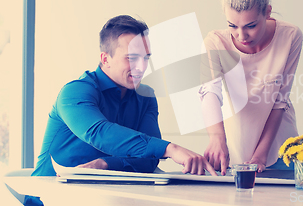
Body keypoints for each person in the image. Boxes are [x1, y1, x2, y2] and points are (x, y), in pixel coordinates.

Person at [26, 15, 216, 205]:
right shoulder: (74, 91)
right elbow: (98, 132)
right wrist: (169, 148)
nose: (141, 67)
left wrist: (108, 164)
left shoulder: (146, 96)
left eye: (146, 58)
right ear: (105, 59)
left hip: (107, 199)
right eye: (132, 58)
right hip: (49, 199)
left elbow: (149, 160)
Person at [199, 0, 302, 175]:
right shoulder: (215, 42)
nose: (241, 35)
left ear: (268, 12)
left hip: (281, 144)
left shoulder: (291, 36)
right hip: (237, 142)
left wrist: (261, 154)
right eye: (232, 26)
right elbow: (210, 93)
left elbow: (279, 101)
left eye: (250, 26)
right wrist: (217, 139)